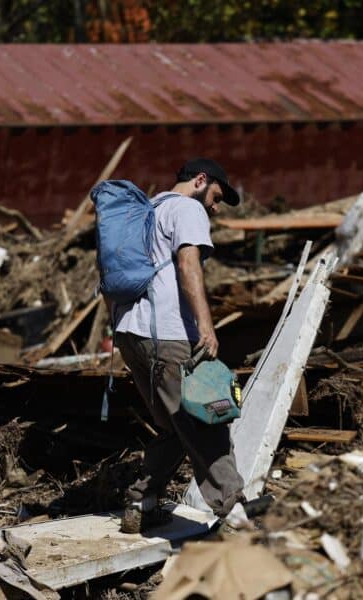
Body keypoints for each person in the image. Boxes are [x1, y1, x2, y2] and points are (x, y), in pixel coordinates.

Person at [112, 157, 245, 534]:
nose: (215, 207)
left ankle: (143, 502)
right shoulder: (187, 208)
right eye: (216, 196)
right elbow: (188, 264)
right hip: (167, 333)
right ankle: (236, 515)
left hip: (129, 333)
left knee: (173, 424)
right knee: (206, 420)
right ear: (200, 181)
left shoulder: (147, 210)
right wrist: (206, 325)